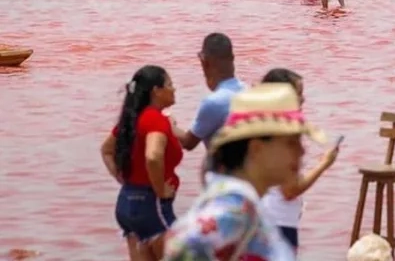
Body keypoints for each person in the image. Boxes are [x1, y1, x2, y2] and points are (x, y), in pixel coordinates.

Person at [163, 84, 326, 260]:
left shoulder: (246, 209)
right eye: (291, 143)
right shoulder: (232, 214)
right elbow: (184, 246)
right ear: (257, 149)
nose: (302, 151)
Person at [100, 66, 182, 261]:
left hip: (126, 203)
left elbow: (106, 150)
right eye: (170, 84)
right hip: (152, 206)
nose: (175, 89)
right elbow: (153, 156)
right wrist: (160, 189)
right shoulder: (155, 120)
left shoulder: (130, 120)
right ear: (157, 91)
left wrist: (122, 178)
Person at [259, 68, 339, 254]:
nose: (303, 100)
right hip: (279, 223)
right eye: (298, 94)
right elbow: (290, 190)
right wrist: (324, 163)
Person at [175, 33, 246, 153]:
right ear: (232, 58)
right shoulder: (248, 91)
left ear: (205, 62)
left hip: (223, 170)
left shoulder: (214, 102)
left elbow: (188, 142)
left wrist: (166, 122)